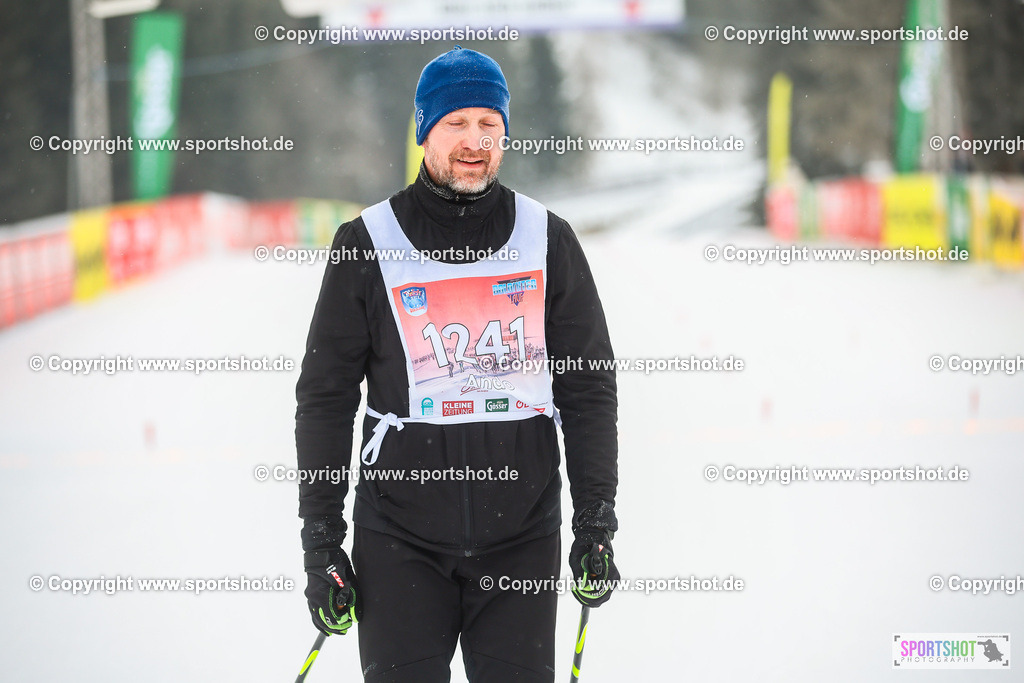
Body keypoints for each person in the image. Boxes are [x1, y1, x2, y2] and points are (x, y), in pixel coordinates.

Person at [295, 45, 619, 682]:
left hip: (522, 539)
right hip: (399, 542)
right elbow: (326, 399)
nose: (475, 142)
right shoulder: (367, 244)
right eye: (456, 124)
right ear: (424, 131)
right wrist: (322, 543)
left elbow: (588, 391)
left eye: (489, 124)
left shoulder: (547, 238)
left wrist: (596, 522)